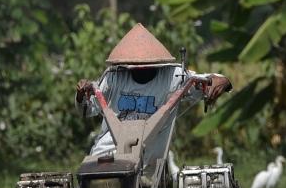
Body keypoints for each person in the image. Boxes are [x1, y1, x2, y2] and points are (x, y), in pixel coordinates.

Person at [75, 24, 232, 159]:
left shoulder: (174, 76)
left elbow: (208, 80)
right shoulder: (113, 76)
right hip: (107, 156)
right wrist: (82, 95)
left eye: (147, 65)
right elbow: (87, 110)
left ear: (157, 62)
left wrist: (221, 81)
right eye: (135, 67)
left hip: (150, 161)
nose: (141, 69)